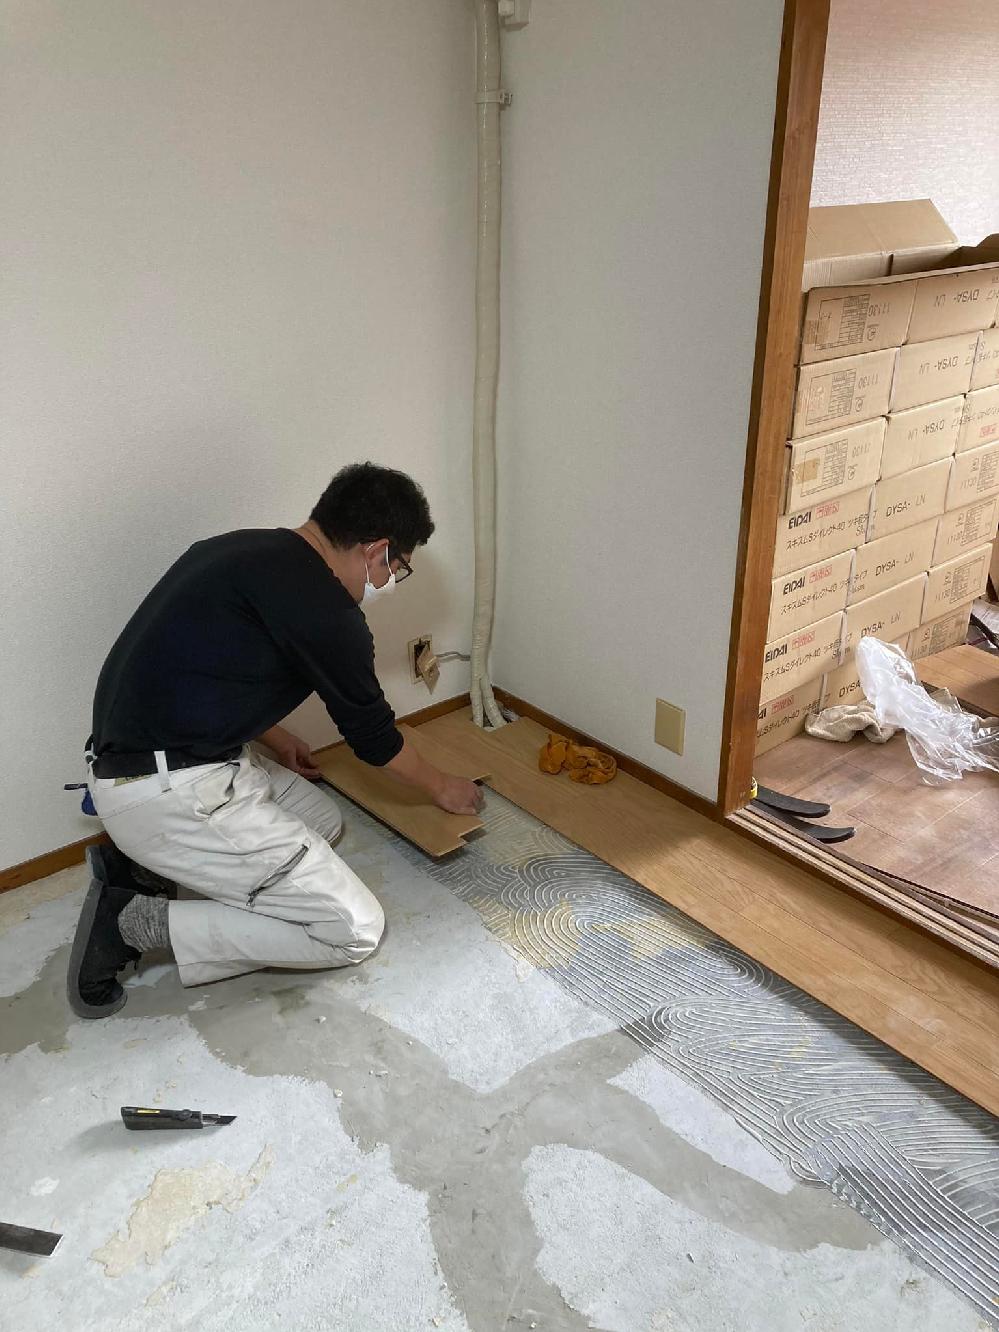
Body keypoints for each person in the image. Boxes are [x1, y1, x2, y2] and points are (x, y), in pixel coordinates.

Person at [67, 462, 484, 1018]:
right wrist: (441, 786)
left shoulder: (237, 551)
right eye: (396, 567)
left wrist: (276, 736)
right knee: (354, 930)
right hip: (170, 791)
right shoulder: (328, 614)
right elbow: (374, 739)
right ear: (377, 550)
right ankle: (134, 922)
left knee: (324, 823)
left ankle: (145, 865)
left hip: (148, 761)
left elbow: (206, 667)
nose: (387, 582)